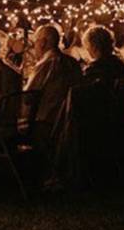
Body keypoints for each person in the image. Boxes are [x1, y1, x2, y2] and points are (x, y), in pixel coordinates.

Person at [23, 24, 83, 155]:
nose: (34, 47)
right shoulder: (73, 63)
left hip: (46, 124)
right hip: (71, 121)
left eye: (35, 42)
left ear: (43, 43)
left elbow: (27, 97)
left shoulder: (46, 63)